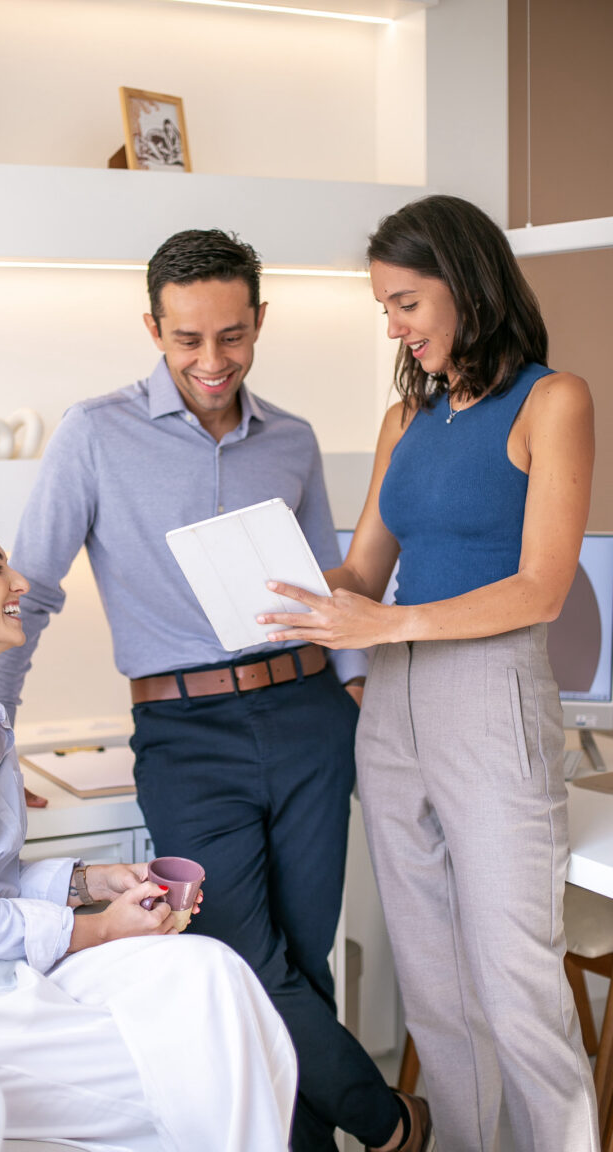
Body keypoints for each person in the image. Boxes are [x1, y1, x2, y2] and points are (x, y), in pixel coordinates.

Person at [0, 228, 432, 1152]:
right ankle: (389, 1124)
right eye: (188, 338)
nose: (212, 360)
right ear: (153, 328)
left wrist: (352, 695)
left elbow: (331, 588)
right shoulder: (93, 433)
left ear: (259, 321)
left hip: (309, 716)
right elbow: (31, 595)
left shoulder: (293, 440)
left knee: (301, 960)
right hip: (185, 732)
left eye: (232, 336)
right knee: (235, 958)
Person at [259, 194, 599, 1152]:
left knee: (515, 981)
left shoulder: (552, 401)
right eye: (386, 308)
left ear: (468, 283)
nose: (395, 327)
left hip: (490, 691)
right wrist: (272, 582)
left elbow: (541, 588)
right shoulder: (405, 418)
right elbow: (362, 574)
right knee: (437, 989)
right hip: (392, 705)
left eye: (406, 303)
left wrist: (389, 622)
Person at [0, 509, 297, 1151]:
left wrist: (95, 882)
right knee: (204, 1065)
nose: (21, 582)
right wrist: (97, 929)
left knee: (212, 975)